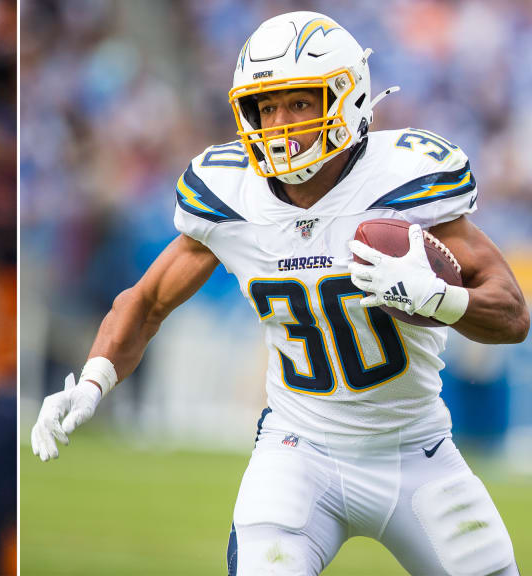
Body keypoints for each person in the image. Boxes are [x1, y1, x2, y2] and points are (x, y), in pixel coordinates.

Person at [31, 11, 527, 576]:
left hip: (417, 449)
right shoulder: (234, 194)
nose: (280, 122)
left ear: (346, 98)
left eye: (298, 103)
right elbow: (144, 302)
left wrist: (438, 297)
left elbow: (512, 314)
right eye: (266, 107)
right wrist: (94, 380)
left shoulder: (403, 180)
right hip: (298, 454)